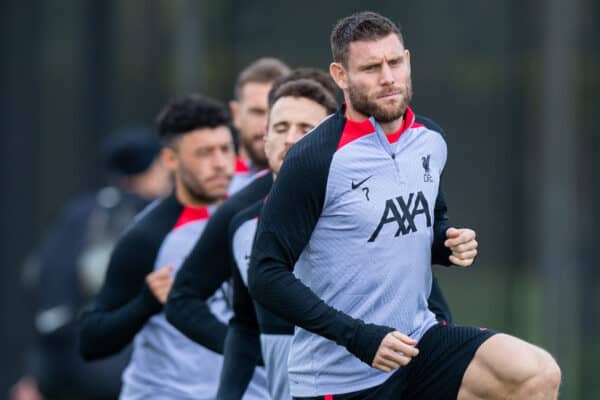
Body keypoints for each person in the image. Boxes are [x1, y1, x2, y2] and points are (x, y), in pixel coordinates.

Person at [248, 11, 561, 400]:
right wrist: (357, 337)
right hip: (341, 375)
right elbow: (264, 273)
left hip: (418, 344)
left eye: (394, 62)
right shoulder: (314, 160)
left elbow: (431, 219)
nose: (388, 78)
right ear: (341, 76)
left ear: (408, 61)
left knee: (535, 375)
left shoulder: (429, 139)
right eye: (371, 67)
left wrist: (446, 241)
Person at [79, 94, 266, 399]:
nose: (220, 164)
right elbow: (90, 341)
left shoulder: (254, 216)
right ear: (170, 160)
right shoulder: (148, 235)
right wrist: (146, 302)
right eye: (205, 153)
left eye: (225, 149)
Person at [11, 128, 171, 400]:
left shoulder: (79, 214)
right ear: (156, 165)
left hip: (70, 367)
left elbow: (49, 294)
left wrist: (37, 373)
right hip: (137, 372)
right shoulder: (162, 217)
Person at [225, 77, 338, 400]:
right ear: (265, 139)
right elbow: (244, 325)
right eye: (281, 127)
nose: (290, 140)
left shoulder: (360, 217)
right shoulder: (242, 224)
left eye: (305, 129)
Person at [228, 58, 290, 193]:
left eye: (276, 112)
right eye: (257, 112)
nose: (267, 125)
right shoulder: (210, 187)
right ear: (236, 114)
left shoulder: (314, 181)